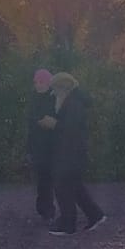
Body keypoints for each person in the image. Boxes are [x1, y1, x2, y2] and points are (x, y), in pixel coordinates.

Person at [44, 71, 106, 235]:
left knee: (63, 186)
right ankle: (94, 215)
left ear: (62, 88)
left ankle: (68, 223)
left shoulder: (73, 104)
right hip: (74, 152)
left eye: (55, 90)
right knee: (74, 186)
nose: (54, 94)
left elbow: (70, 129)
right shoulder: (75, 102)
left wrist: (54, 125)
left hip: (70, 152)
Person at [26, 69, 61, 221]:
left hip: (52, 146)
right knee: (42, 180)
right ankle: (44, 209)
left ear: (48, 83)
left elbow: (59, 121)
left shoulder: (55, 99)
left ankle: (49, 211)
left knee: (50, 179)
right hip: (37, 146)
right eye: (36, 82)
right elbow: (30, 125)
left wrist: (50, 123)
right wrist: (29, 148)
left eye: (41, 82)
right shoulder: (33, 99)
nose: (38, 85)